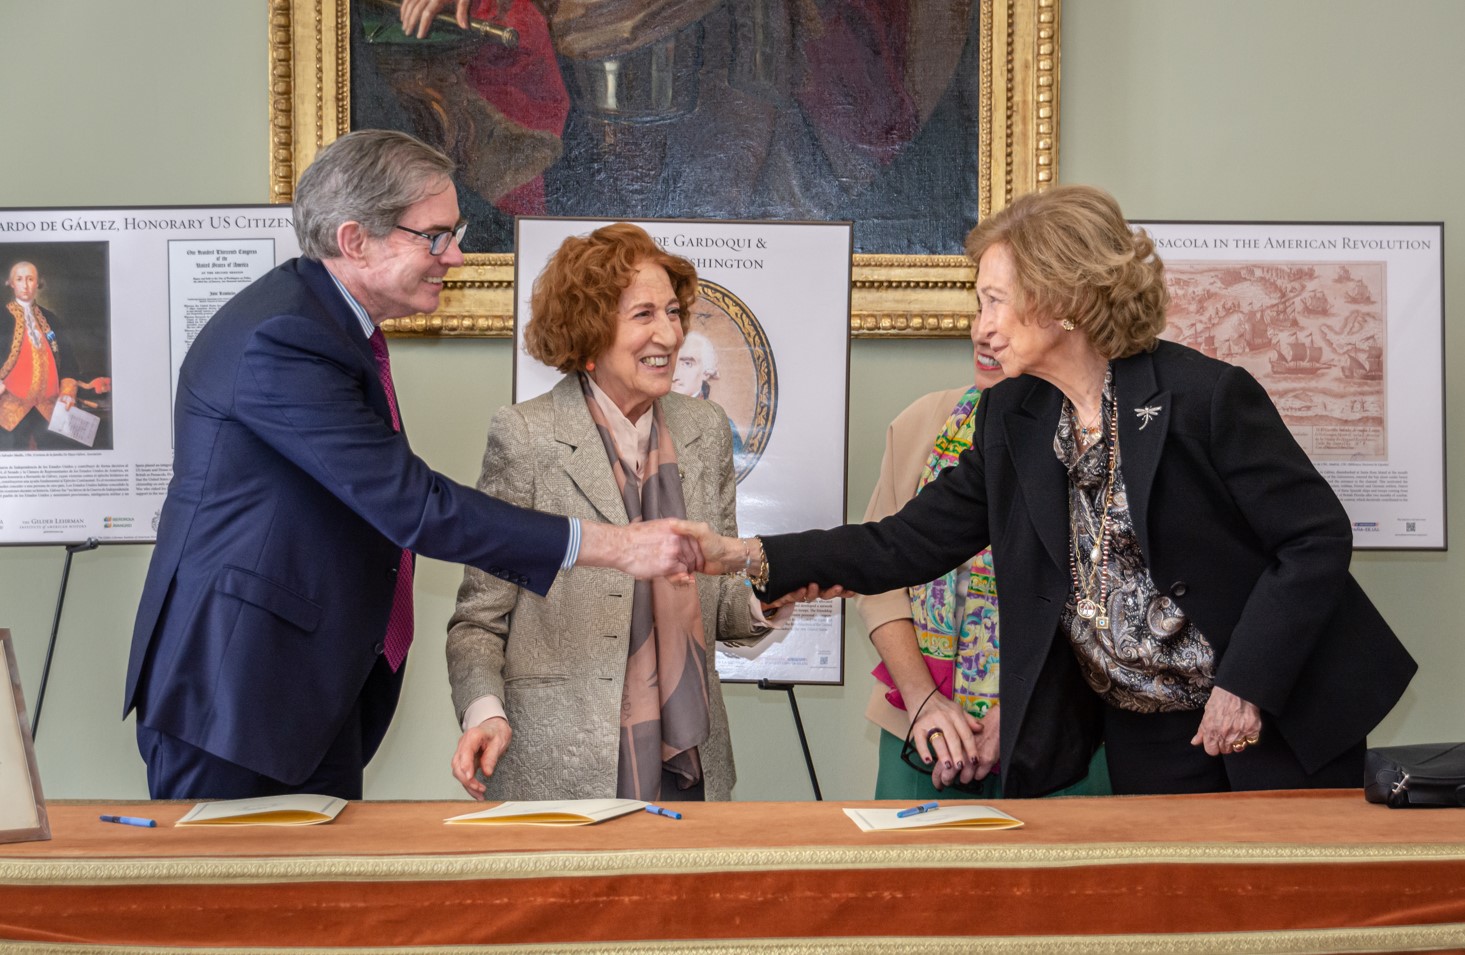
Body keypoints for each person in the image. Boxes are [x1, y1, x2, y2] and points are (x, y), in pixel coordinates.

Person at [690, 185, 1417, 797]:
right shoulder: (1015, 417)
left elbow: (1314, 537)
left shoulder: (1205, 397)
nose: (980, 326)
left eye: (994, 301)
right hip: (1147, 727)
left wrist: (1248, 682)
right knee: (1164, 917)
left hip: (1272, 711)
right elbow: (906, 541)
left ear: (1063, 300)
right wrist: (746, 553)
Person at [125, 132, 699, 801]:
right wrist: (613, 545)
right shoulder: (283, 339)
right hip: (238, 694)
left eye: (453, 233)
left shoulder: (327, 325)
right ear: (354, 239)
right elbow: (415, 506)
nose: (453, 255)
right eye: (433, 236)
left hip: (294, 693)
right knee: (231, 904)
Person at [446, 222, 790, 803]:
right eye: (643, 315)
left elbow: (720, 599)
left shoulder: (704, 430)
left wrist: (768, 591)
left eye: (674, 312)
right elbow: (480, 618)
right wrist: (484, 711)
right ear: (590, 329)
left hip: (692, 763)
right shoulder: (527, 436)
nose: (669, 333)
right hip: (561, 768)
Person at [855, 323, 1109, 799]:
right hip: (924, 734)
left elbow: (1111, 604)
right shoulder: (921, 423)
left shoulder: (1099, 436)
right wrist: (924, 701)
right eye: (980, 307)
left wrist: (1021, 713)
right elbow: (878, 581)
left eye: (1008, 312)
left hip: (1060, 732)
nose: (983, 332)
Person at [1, 261, 111, 451]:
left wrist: (68, 391)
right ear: (11, 283)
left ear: (38, 283)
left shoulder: (51, 319)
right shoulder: (1, 317)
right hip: (10, 409)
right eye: (19, 279)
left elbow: (68, 360)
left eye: (30, 279)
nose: (25, 285)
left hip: (49, 408)